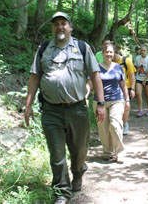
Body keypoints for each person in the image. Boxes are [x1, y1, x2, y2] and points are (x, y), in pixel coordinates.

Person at [24, 12, 105, 204]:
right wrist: (28, 105)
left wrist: (100, 103)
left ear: (70, 27)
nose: (60, 27)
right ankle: (62, 191)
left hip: (77, 109)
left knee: (79, 149)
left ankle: (78, 171)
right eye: (56, 24)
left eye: (63, 23)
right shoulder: (43, 49)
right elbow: (35, 77)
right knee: (57, 152)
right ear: (52, 28)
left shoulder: (82, 47)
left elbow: (95, 76)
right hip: (51, 110)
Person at [86, 43, 130, 164]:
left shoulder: (118, 67)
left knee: (115, 124)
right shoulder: (96, 68)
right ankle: (107, 151)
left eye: (111, 52)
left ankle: (119, 152)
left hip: (117, 99)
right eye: (107, 52)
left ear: (114, 53)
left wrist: (127, 100)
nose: (109, 54)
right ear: (103, 53)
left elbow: (123, 85)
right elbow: (89, 84)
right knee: (103, 128)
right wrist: (85, 95)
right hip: (99, 102)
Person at [113, 45, 136, 135]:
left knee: (126, 106)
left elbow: (132, 75)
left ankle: (125, 124)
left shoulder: (127, 61)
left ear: (117, 52)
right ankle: (118, 125)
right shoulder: (110, 62)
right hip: (115, 87)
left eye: (113, 53)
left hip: (127, 87)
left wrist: (133, 89)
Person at [135, 45, 148, 117]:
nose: (142, 52)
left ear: (146, 51)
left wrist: (145, 80)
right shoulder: (137, 58)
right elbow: (136, 68)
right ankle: (140, 110)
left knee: (147, 95)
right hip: (139, 78)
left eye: (144, 50)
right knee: (138, 93)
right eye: (141, 50)